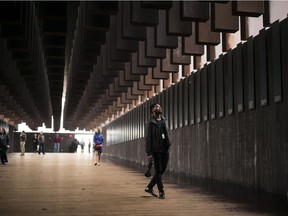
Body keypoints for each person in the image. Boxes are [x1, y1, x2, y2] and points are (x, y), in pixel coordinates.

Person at [144, 103, 171, 199]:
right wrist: (149, 153)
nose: (159, 107)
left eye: (160, 106)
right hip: (156, 150)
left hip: (165, 149)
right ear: (152, 110)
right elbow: (148, 138)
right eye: (156, 107)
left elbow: (167, 133)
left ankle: (150, 187)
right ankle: (161, 191)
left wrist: (169, 143)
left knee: (162, 169)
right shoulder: (150, 123)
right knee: (158, 170)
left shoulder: (164, 120)